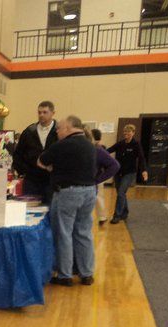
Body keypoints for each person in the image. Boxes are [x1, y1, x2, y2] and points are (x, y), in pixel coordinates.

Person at [38, 116, 97, 286]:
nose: (57, 131)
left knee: (64, 233)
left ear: (69, 128)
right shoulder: (90, 145)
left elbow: (41, 161)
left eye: (60, 128)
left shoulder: (62, 145)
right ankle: (86, 273)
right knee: (84, 232)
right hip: (89, 191)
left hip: (68, 192)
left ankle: (65, 275)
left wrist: (51, 168)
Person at [13, 100, 58, 204]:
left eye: (45, 112)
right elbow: (18, 154)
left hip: (52, 180)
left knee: (52, 211)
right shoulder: (29, 131)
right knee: (30, 210)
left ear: (53, 113)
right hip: (32, 180)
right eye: (39, 112)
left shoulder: (59, 131)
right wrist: (24, 171)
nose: (41, 115)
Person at [107, 124, 148, 224]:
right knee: (121, 194)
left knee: (121, 193)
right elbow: (108, 151)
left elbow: (141, 158)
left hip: (129, 173)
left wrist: (144, 170)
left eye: (129, 132)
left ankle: (117, 215)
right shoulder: (120, 144)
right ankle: (125, 212)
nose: (126, 133)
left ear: (133, 133)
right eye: (125, 131)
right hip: (118, 172)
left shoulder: (136, 144)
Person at [90, 128, 119, 225]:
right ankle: (102, 216)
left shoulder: (99, 149)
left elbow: (113, 165)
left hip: (97, 177)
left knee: (98, 197)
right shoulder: (99, 148)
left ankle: (102, 217)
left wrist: (99, 178)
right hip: (97, 177)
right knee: (99, 197)